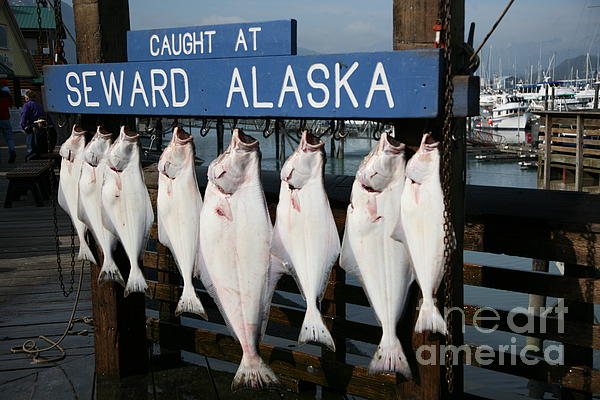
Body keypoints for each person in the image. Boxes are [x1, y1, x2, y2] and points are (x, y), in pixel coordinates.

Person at [20, 89, 46, 158]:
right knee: (38, 145)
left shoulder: (27, 105)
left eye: (25, 97)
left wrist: (23, 127)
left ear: (27, 97)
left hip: (32, 128)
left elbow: (24, 116)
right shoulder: (40, 105)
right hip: (41, 128)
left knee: (31, 147)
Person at [0, 79, 15, 163]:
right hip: (5, 117)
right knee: (9, 137)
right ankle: (12, 150)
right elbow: (11, 104)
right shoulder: (6, 94)